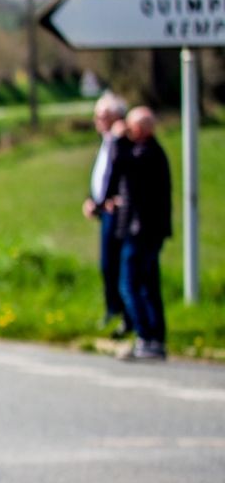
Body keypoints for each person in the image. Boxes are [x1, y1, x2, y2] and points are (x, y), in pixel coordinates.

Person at [105, 106, 173, 361]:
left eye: (132, 128)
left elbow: (121, 165)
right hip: (148, 231)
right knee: (148, 286)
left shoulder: (145, 154)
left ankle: (146, 336)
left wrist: (117, 139)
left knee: (130, 285)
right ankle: (155, 338)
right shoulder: (151, 152)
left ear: (141, 129)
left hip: (140, 231)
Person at [81, 91, 132, 339]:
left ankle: (126, 316)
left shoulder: (121, 141)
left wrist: (110, 201)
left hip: (120, 214)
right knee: (107, 266)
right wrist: (94, 201)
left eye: (103, 115)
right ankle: (114, 311)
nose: (97, 120)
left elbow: (122, 178)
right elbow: (103, 178)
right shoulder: (107, 141)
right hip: (106, 212)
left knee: (119, 266)